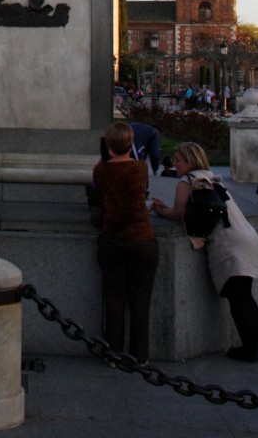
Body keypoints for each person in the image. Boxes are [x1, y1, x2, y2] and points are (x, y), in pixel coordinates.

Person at [152, 142, 258, 362]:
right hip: (247, 236)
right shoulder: (210, 177)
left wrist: (160, 210)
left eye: (178, 160)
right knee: (245, 296)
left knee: (239, 299)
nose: (175, 164)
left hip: (230, 243)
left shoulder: (187, 181)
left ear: (190, 161)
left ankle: (250, 350)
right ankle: (252, 347)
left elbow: (178, 213)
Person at [92, 121, 158, 365]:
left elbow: (100, 194)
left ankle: (113, 352)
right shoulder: (140, 169)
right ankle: (140, 355)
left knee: (114, 299)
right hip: (142, 239)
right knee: (141, 300)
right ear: (131, 144)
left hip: (113, 239)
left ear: (109, 146)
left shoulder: (101, 171)